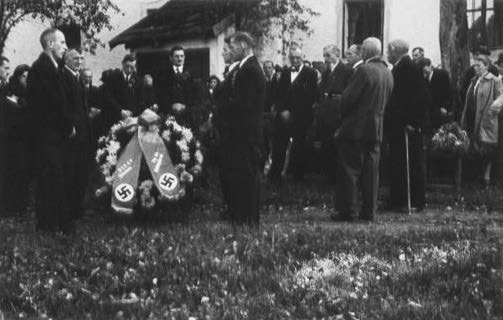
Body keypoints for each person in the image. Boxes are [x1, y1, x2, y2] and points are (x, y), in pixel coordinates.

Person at [332, 37, 393, 222]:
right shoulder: (388, 73)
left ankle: (348, 211)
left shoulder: (364, 70)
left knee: (350, 171)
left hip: (356, 129)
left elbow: (348, 99)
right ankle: (369, 211)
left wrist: (341, 111)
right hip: (376, 129)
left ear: (367, 52)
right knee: (371, 174)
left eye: (363, 49)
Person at [27, 28, 72, 232]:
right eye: (62, 42)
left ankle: (51, 223)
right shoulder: (41, 69)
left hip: (52, 135)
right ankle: (52, 224)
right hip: (47, 136)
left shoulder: (52, 67)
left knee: (53, 178)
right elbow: (51, 104)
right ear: (50, 44)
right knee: (50, 178)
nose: (65, 47)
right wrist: (67, 126)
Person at [218, 31, 265, 226]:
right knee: (240, 174)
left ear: (244, 46)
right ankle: (241, 214)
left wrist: (225, 108)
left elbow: (244, 103)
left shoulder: (251, 70)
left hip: (246, 133)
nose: (233, 51)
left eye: (235, 48)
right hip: (241, 132)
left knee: (247, 174)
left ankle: (248, 217)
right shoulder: (245, 68)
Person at [385, 39, 429, 212]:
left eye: (389, 51)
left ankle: (415, 201)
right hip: (397, 124)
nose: (387, 54)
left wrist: (413, 122)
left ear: (396, 51)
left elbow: (420, 98)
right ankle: (397, 199)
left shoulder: (409, 68)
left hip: (407, 126)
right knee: (397, 163)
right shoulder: (399, 67)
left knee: (411, 164)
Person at [269, 44, 318, 183]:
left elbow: (310, 97)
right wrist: (282, 110)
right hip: (283, 116)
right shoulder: (284, 72)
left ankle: (298, 177)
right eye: (292, 58)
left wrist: (293, 113)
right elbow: (278, 94)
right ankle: (275, 176)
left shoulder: (311, 73)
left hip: (301, 117)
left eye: (297, 58)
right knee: (279, 146)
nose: (295, 60)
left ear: (302, 57)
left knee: (299, 148)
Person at [461, 55, 503, 187]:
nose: (475, 67)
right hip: (472, 118)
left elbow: (501, 97)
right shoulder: (474, 80)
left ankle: (485, 178)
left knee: (485, 148)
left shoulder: (494, 80)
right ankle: (475, 178)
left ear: (486, 66)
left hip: (485, 119)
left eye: (479, 65)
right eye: (475, 65)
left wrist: (493, 109)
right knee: (473, 146)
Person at [316, 44, 353, 183]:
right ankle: (329, 176)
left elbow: (348, 93)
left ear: (337, 54)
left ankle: (337, 178)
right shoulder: (325, 72)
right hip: (326, 115)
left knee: (338, 148)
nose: (325, 59)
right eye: (324, 55)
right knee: (327, 146)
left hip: (338, 116)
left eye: (328, 55)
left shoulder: (347, 71)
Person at [156, 45, 197, 127]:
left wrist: (185, 107)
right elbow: (160, 94)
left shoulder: (193, 73)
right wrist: (171, 106)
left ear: (184, 57)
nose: (180, 59)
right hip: (169, 116)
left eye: (182, 56)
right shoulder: (163, 74)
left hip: (188, 116)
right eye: (176, 56)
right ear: (170, 58)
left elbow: (196, 95)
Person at [418, 58, 452, 131]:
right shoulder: (422, 79)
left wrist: (445, 107)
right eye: (422, 72)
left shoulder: (442, 74)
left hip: (443, 113)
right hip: (430, 116)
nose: (424, 74)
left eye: (425, 71)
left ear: (430, 66)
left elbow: (449, 93)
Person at [262, 60, 278, 171]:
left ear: (273, 68)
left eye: (269, 68)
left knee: (273, 140)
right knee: (265, 140)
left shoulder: (277, 81)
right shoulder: (263, 81)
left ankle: (273, 164)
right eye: (265, 68)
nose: (267, 70)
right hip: (265, 115)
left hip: (274, 114)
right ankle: (265, 162)